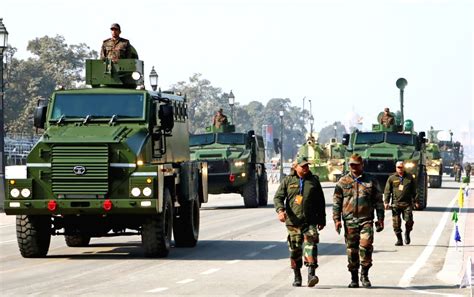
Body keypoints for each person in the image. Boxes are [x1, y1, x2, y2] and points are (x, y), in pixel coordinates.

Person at [333, 153, 384, 288]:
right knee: (352, 250)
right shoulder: (343, 182)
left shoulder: (371, 180)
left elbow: (378, 201)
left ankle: (365, 275)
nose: (354, 167)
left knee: (366, 246)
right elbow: (337, 202)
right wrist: (336, 220)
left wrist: (381, 218)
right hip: (349, 221)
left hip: (366, 220)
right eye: (351, 165)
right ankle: (354, 277)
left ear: (362, 165)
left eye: (356, 164)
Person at [274, 156, 326, 287]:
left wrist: (322, 219)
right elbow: (278, 197)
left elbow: (320, 201)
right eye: (303, 166)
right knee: (295, 249)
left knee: (311, 246)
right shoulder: (288, 181)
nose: (305, 168)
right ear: (295, 167)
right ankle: (297, 275)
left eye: (307, 166)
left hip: (310, 221)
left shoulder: (314, 181)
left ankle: (311, 274)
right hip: (293, 222)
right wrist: (280, 211)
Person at [384, 161, 418, 246]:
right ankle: (399, 239)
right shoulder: (392, 178)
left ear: (404, 168)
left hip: (407, 204)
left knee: (409, 221)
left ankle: (407, 233)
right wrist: (386, 202)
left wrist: (416, 201)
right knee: (396, 223)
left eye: (401, 167)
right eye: (398, 167)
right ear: (396, 168)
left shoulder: (409, 177)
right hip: (396, 204)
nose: (400, 169)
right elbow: (387, 191)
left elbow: (415, 190)